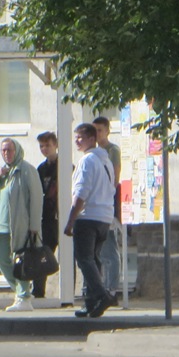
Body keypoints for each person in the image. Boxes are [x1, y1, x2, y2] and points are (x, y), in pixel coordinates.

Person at [65, 122, 118, 318]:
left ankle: (101, 295)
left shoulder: (87, 160)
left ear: (91, 139)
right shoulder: (106, 161)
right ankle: (91, 302)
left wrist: (71, 220)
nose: (77, 140)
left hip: (88, 217)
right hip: (104, 217)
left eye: (81, 137)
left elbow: (81, 193)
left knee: (85, 259)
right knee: (94, 260)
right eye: (76, 137)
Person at [0, 137, 44, 312]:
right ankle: (22, 292)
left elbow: (36, 199)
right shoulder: (3, 174)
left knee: (21, 261)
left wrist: (34, 225)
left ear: (17, 150)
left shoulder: (27, 170)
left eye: (10, 150)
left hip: (20, 225)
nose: (6, 153)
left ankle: (23, 297)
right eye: (3, 150)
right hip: (1, 226)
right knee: (0, 258)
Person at [93, 116, 122, 300]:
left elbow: (115, 177)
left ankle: (112, 289)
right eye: (94, 130)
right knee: (100, 250)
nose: (97, 134)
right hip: (96, 204)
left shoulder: (112, 150)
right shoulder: (93, 152)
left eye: (100, 130)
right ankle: (103, 287)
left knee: (110, 248)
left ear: (107, 131)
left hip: (108, 203)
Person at [33, 131, 60, 299]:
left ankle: (68, 292)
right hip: (46, 217)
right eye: (42, 146)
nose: (44, 149)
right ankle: (38, 291)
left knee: (66, 255)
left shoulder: (64, 166)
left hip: (61, 216)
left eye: (47, 145)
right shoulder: (41, 168)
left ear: (55, 145)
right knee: (42, 254)